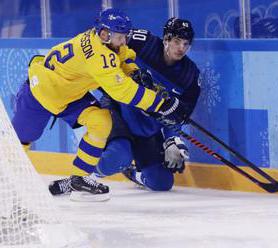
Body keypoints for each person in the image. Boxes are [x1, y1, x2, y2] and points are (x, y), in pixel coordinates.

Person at [12, 9, 187, 201]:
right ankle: (6, 184)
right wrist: (161, 103)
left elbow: (124, 55)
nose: (123, 41)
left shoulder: (105, 40)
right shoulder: (98, 56)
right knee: (19, 143)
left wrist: (134, 72)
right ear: (105, 34)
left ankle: (79, 179)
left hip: (70, 94)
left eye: (124, 36)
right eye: (120, 37)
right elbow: (123, 91)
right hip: (42, 93)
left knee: (101, 121)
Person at [49, 17, 200, 194]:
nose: (181, 48)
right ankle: (76, 180)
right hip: (119, 109)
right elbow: (103, 42)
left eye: (186, 44)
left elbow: (180, 113)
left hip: (146, 128)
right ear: (166, 39)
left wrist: (172, 140)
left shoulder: (190, 75)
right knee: (118, 157)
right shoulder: (143, 42)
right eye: (176, 42)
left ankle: (132, 173)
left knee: (162, 182)